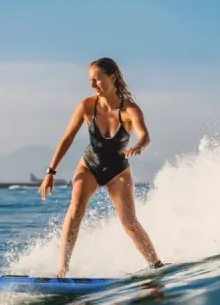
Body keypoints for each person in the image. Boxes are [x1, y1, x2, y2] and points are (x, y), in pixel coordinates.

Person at [38, 57, 164, 277]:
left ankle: (156, 265)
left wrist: (139, 145)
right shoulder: (86, 106)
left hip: (118, 171)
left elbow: (144, 135)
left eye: (97, 79)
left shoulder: (130, 110)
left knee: (129, 222)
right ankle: (63, 269)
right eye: (91, 80)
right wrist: (50, 171)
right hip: (89, 166)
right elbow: (67, 138)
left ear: (112, 77)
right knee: (75, 211)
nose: (92, 84)